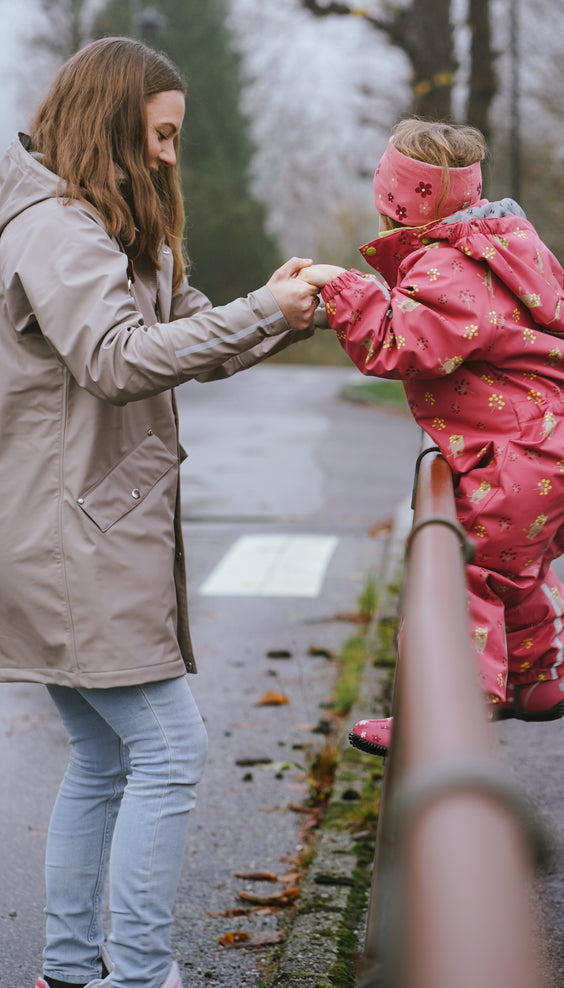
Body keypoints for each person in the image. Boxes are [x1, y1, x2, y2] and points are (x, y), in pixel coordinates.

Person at [0, 37, 320, 988]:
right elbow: (118, 357)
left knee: (104, 759)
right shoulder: (57, 229)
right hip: (69, 542)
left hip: (82, 534)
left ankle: (71, 969)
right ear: (113, 120)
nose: (172, 154)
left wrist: (286, 310)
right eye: (162, 132)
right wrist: (266, 307)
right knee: (172, 749)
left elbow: (185, 337)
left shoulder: (101, 228)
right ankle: (137, 974)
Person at [301, 119, 564, 756]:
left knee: (458, 572)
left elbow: (401, 343)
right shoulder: (510, 244)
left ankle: (442, 716)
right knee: (519, 564)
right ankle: (536, 680)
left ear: (395, 203)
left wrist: (340, 286)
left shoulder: (448, 266)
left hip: (521, 451)